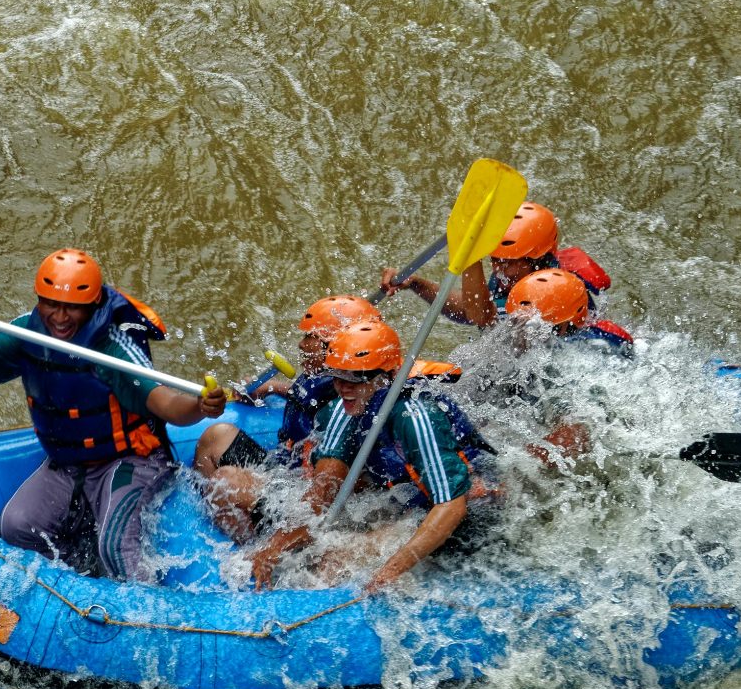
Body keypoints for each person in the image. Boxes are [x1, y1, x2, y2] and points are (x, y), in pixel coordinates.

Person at [0, 249, 227, 576]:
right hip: (68, 463)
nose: (60, 317)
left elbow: (167, 405)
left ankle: (140, 612)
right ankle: (80, 583)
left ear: (93, 305)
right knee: (17, 525)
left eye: (73, 308)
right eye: (52, 304)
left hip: (131, 460)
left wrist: (200, 405)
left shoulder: (115, 347)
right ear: (39, 301)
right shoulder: (28, 332)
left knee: (115, 544)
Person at [249, 320, 493, 593]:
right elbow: (322, 494)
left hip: (464, 509)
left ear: (387, 376)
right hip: (407, 498)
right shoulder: (346, 408)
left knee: (335, 561)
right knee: (321, 547)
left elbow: (451, 506)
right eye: (337, 376)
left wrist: (389, 570)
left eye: (354, 378)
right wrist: (274, 548)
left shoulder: (414, 416)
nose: (342, 387)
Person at [191, 294, 382, 541]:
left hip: (309, 495)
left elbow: (331, 490)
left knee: (225, 481)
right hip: (288, 470)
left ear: (335, 346)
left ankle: (255, 549)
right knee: (215, 436)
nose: (301, 345)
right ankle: (226, 527)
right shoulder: (328, 382)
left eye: (310, 337)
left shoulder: (349, 403)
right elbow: (305, 395)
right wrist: (269, 387)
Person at [380, 202, 611, 327]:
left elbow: (480, 316)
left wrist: (470, 254)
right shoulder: (511, 274)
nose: (498, 268)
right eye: (494, 258)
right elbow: (469, 309)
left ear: (537, 258)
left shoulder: (548, 290)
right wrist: (417, 284)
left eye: (507, 262)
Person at [498, 268, 635, 463]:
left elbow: (579, 432)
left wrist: (513, 464)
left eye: (530, 326)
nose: (518, 333)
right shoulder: (539, 347)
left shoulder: (563, 366)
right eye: (515, 322)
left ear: (561, 327)